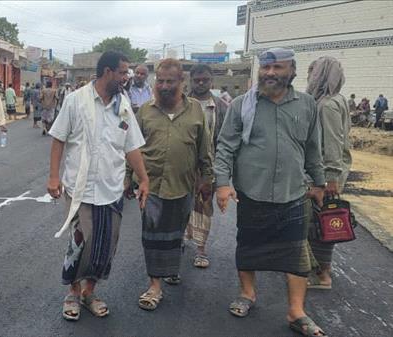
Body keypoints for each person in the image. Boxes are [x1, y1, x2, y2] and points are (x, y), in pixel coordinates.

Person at [215, 48, 327, 336]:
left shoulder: (307, 105)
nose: (270, 73)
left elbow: (313, 148)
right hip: (252, 191)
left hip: (293, 192)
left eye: (278, 67)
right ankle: (247, 294)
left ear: (292, 72)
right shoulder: (243, 104)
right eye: (266, 67)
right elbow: (226, 146)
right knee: (249, 246)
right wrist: (223, 184)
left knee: (296, 254)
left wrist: (319, 182)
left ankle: (296, 311)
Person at [47, 51, 149, 321]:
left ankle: (89, 293)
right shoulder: (76, 100)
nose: (126, 77)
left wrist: (144, 178)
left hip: (111, 188)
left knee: (106, 246)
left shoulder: (123, 105)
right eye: (123, 72)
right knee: (81, 242)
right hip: (79, 188)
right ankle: (73, 292)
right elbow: (58, 139)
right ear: (107, 72)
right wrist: (53, 177)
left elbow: (132, 146)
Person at [133, 59, 213, 311]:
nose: (164, 86)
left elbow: (204, 147)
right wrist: (128, 178)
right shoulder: (145, 110)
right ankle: (155, 285)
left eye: (170, 81)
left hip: (183, 184)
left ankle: (171, 268)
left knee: (176, 231)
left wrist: (207, 179)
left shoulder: (196, 110)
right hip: (151, 185)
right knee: (153, 234)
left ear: (181, 82)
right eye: (160, 81)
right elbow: (132, 147)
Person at [305, 56, 352, 290]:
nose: (308, 77)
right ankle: (320, 269)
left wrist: (329, 179)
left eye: (312, 73)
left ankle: (322, 275)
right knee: (322, 221)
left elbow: (333, 143)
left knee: (320, 223)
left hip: (323, 177)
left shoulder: (326, 105)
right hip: (326, 174)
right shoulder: (338, 100)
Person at [183, 63, 228, 269]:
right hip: (182, 167)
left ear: (212, 81)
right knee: (180, 206)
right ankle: (179, 242)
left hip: (207, 168)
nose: (201, 83)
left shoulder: (220, 107)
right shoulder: (181, 103)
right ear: (190, 81)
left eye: (205, 80)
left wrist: (217, 174)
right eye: (196, 80)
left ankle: (201, 250)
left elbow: (225, 141)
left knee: (204, 207)